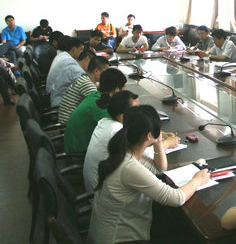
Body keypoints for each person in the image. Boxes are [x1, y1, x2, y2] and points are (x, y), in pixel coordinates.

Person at [89, 105, 209, 243]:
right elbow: (175, 198)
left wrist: (158, 142)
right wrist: (197, 180)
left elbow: (159, 168)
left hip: (105, 235)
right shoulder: (129, 167)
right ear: (149, 136)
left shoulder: (122, 151)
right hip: (120, 239)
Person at [83, 90, 140, 191]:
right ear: (122, 116)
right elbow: (144, 155)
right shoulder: (117, 131)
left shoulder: (104, 121)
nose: (140, 114)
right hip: (101, 191)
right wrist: (165, 143)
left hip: (94, 184)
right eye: (136, 111)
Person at [64, 68, 127, 153]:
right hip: (78, 153)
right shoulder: (100, 108)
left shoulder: (95, 95)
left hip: (74, 144)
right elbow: (119, 130)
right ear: (117, 90)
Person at [58, 55, 109, 124]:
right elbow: (100, 107)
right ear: (96, 71)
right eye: (105, 72)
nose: (107, 75)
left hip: (69, 119)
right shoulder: (87, 84)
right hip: (68, 123)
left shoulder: (84, 78)